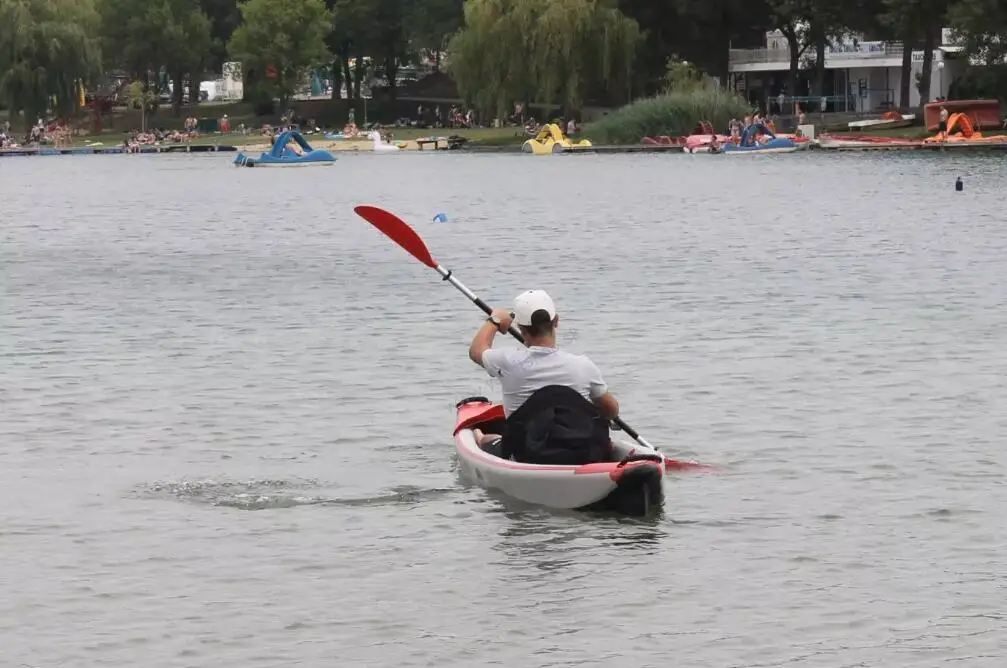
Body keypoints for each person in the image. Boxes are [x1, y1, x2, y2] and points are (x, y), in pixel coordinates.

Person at [468, 289, 621, 464]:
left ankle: (479, 438)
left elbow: (476, 351)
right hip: (581, 452)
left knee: (482, 437)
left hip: (527, 455)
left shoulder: (507, 361)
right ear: (556, 321)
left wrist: (494, 321)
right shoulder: (584, 366)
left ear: (520, 328)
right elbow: (612, 410)